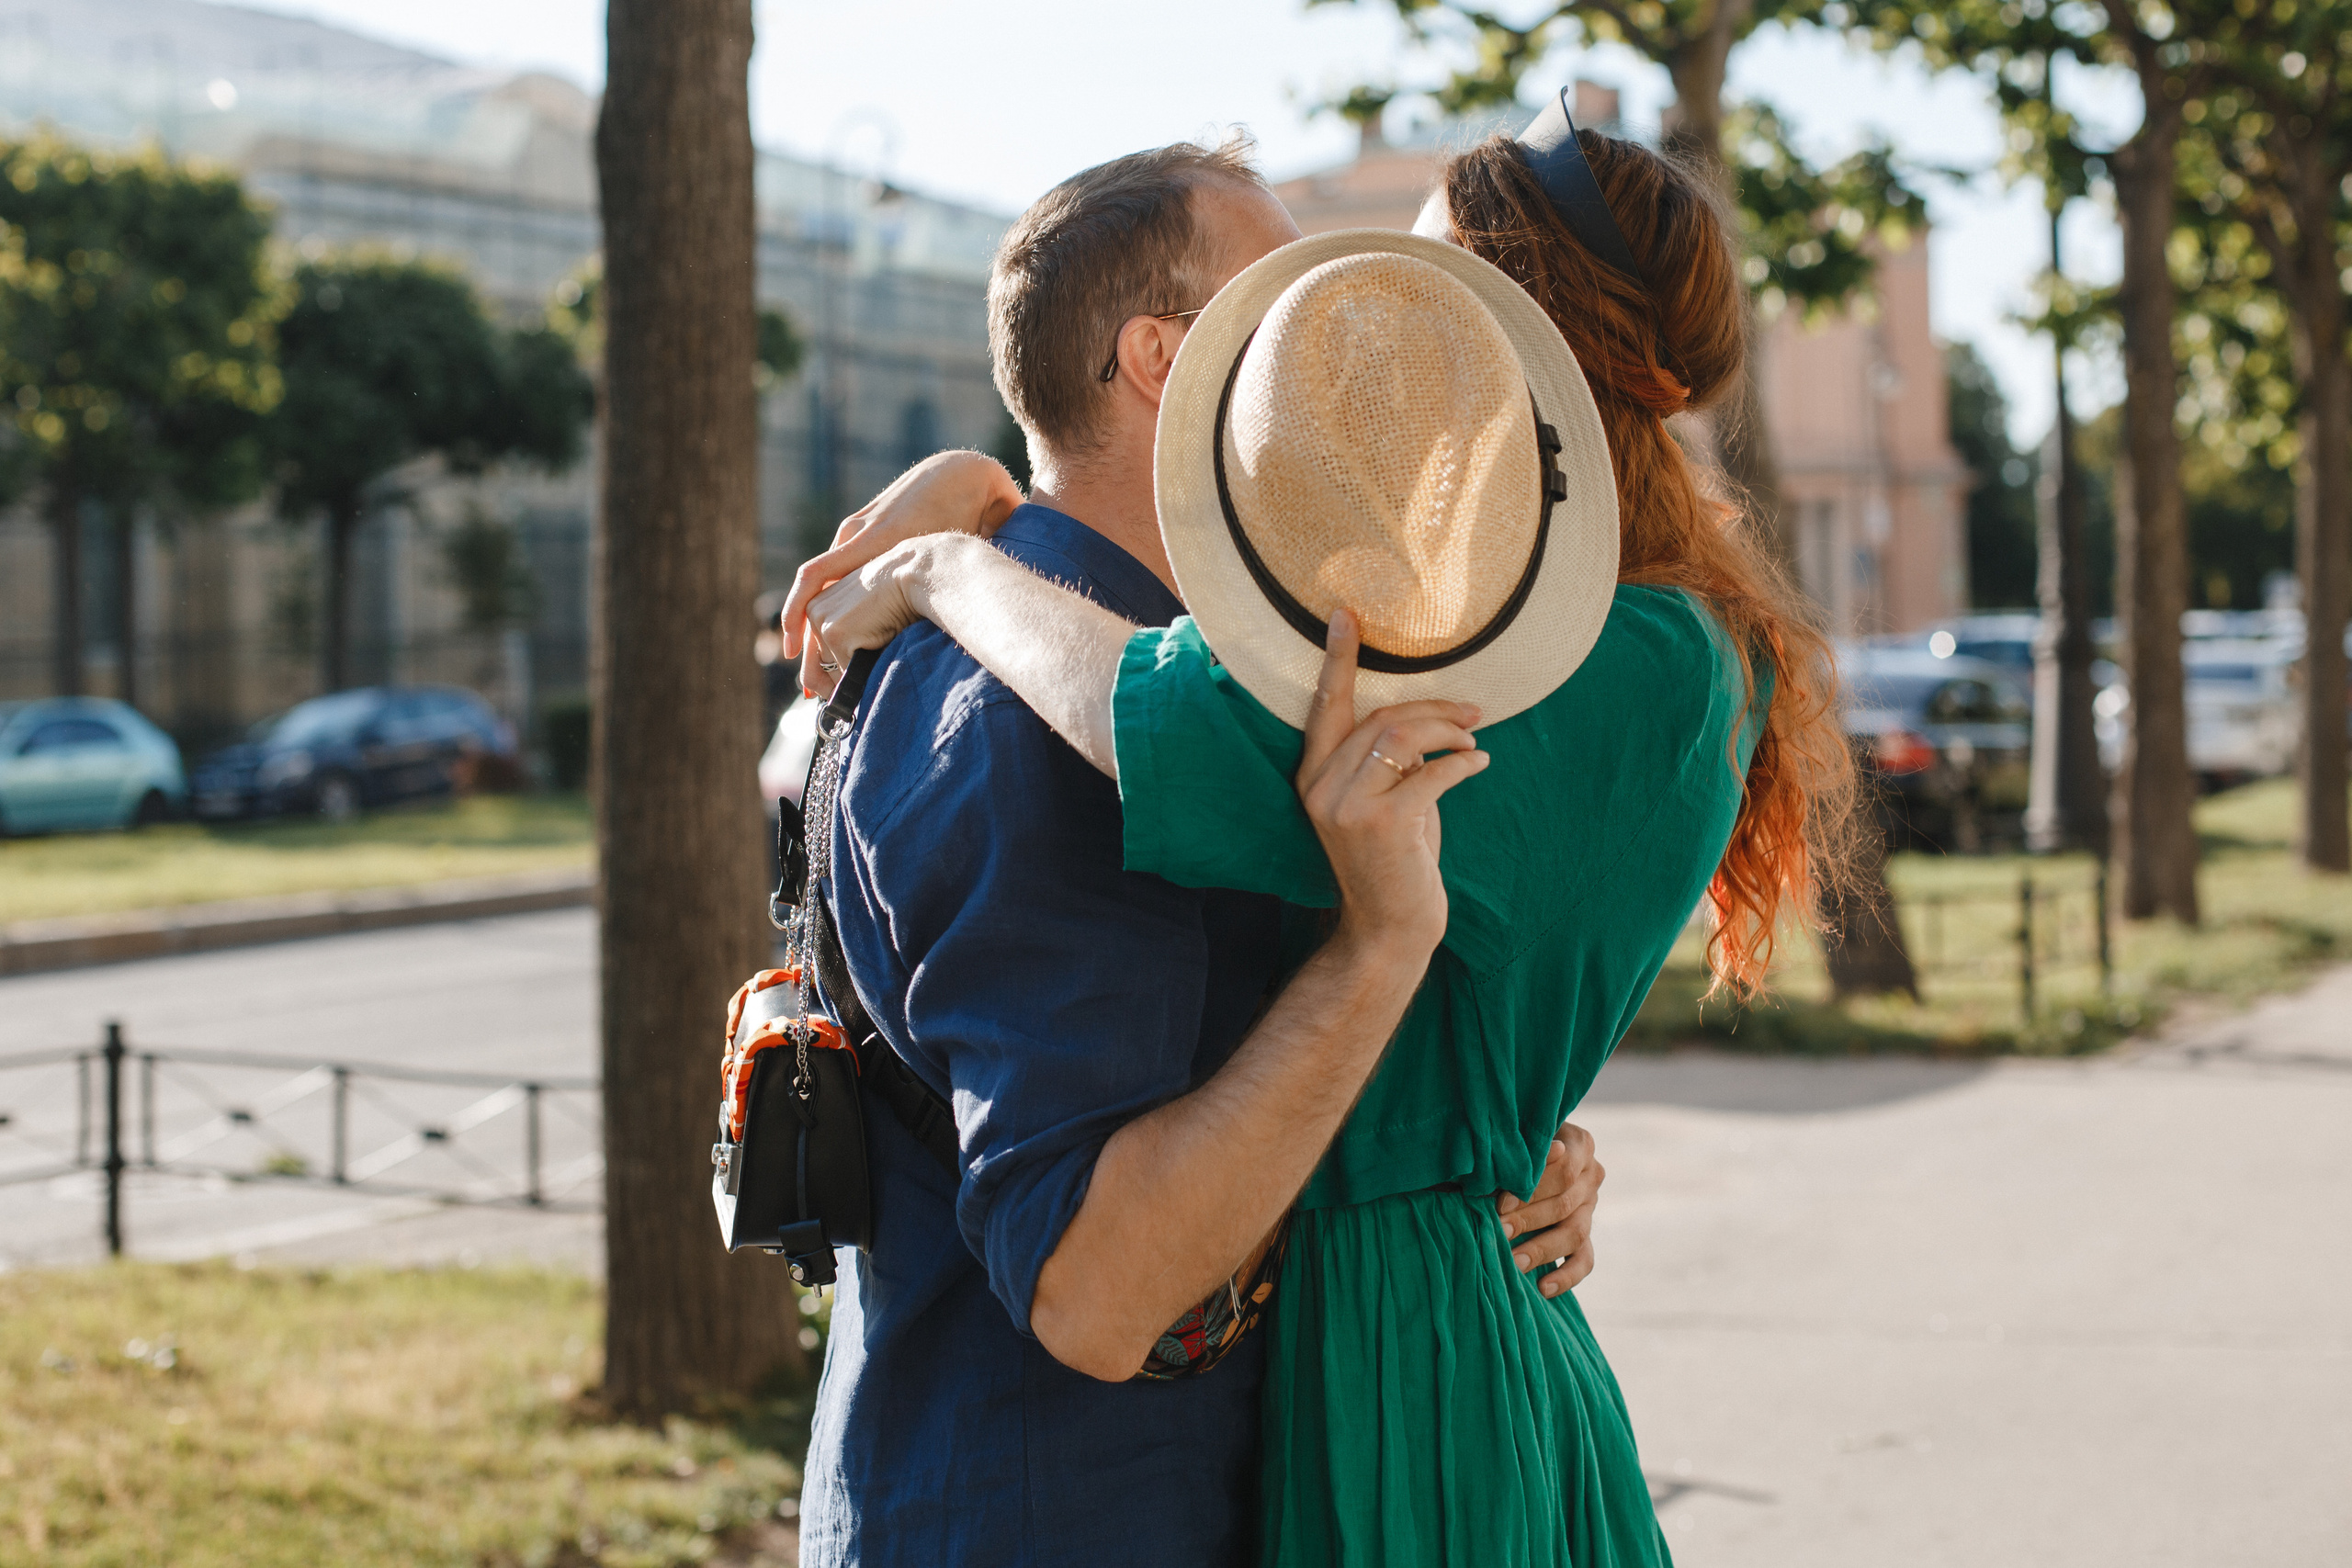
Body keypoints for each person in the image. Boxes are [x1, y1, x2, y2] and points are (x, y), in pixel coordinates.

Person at [792, 96, 1858, 1566]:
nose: (1349, 338)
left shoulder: (1603, 655)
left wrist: (948, 555)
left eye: (1405, 299)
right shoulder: (1474, 631)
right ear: (1167, 362)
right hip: (1314, 1360)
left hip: (1405, 1353)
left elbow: (1164, 726)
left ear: (1509, 340)